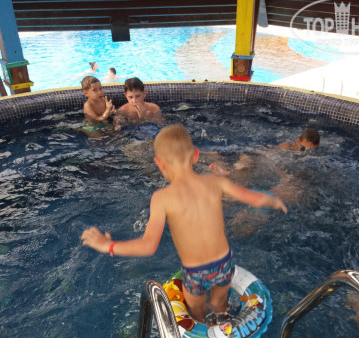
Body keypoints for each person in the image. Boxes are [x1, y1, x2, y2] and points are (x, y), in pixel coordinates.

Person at [81, 124, 287, 322]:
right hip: (224, 263)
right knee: (219, 304)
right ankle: (224, 323)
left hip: (196, 272)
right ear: (196, 155)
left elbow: (148, 246)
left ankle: (203, 324)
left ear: (159, 163)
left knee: (197, 311)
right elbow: (255, 198)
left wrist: (108, 245)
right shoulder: (215, 181)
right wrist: (275, 201)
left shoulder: (161, 198)